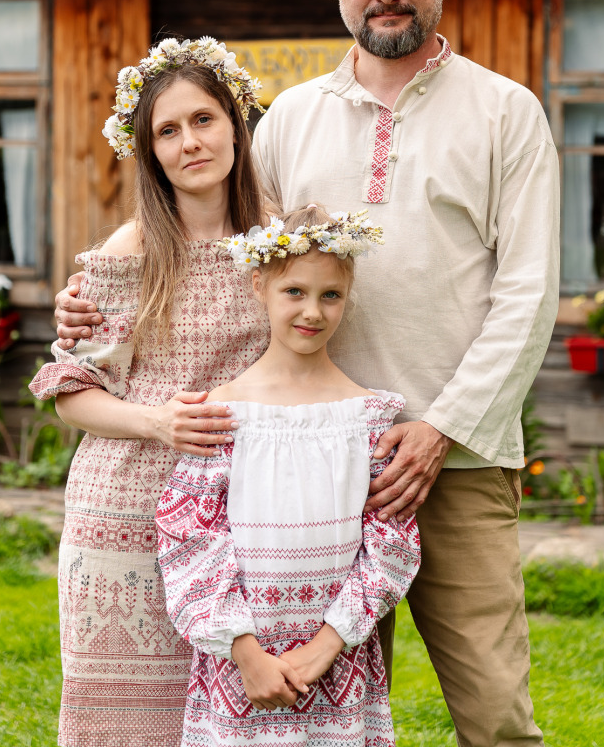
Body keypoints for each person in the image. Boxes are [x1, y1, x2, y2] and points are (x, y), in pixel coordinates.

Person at [56, 0, 560, 747]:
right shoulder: (291, 117)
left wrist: (439, 427)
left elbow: (529, 291)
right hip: (304, 463)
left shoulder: (504, 112)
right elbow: (222, 239)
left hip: (454, 454)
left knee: (494, 710)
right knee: (324, 713)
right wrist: (97, 294)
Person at [29, 37, 271, 747]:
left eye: (203, 120)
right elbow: (73, 392)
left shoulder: (278, 243)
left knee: (239, 718)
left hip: (241, 512)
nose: (189, 142)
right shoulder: (129, 252)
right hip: (125, 512)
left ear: (235, 125)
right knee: (127, 725)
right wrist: (156, 422)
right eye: (167, 131)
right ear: (150, 152)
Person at [155, 205, 422, 747]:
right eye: (294, 291)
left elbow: (391, 543)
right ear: (259, 285)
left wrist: (327, 644)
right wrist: (245, 653)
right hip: (243, 666)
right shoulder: (221, 415)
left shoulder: (368, 418)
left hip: (336, 664)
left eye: (331, 295)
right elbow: (189, 539)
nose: (313, 312)